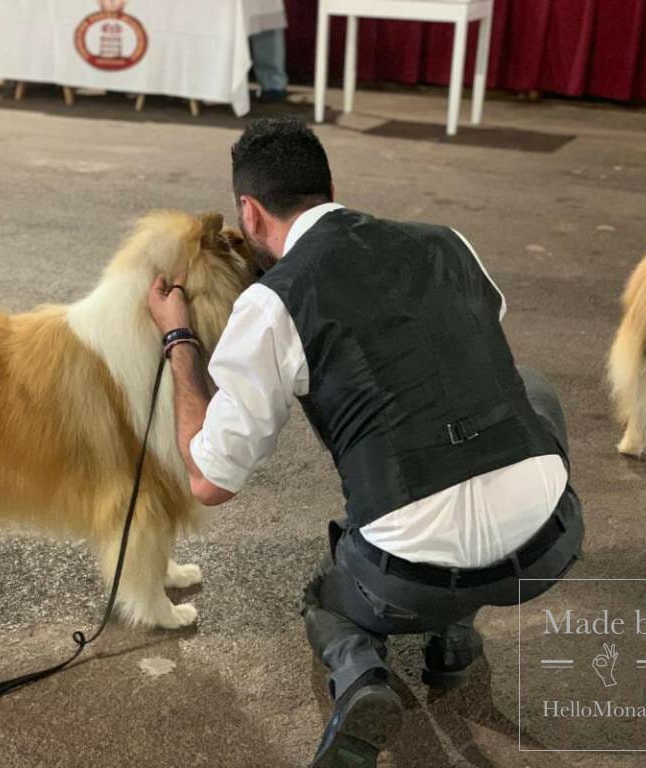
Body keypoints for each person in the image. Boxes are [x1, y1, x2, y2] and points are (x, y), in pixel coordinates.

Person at [146, 117, 584, 768]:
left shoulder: (272, 303)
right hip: (548, 547)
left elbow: (208, 481)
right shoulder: (448, 243)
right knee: (531, 387)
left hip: (404, 581)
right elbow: (481, 352)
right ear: (330, 189)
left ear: (251, 211)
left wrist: (179, 340)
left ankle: (361, 676)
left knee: (326, 599)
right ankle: (455, 635)